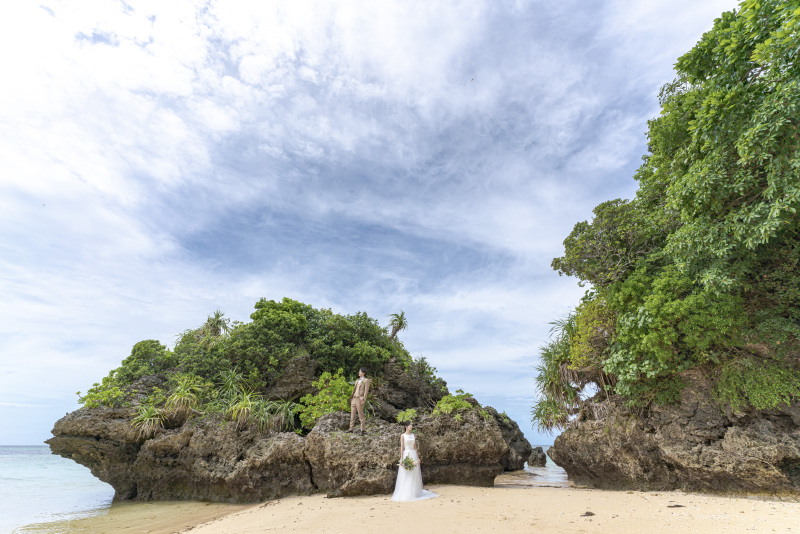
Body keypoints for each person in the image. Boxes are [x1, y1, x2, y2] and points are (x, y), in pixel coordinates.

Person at [391, 421, 437, 502]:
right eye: (410, 425)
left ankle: (414, 492)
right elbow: (402, 448)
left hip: (413, 454)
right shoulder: (403, 435)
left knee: (414, 473)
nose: (411, 426)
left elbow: (415, 447)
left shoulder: (412, 435)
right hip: (407, 454)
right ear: (406, 426)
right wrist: (401, 459)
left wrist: (418, 458)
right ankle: (407, 492)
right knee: (407, 473)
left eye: (411, 425)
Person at [347, 367, 370, 435]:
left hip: (360, 399)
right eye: (359, 371)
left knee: (360, 414)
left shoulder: (366, 380)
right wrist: (351, 398)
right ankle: (351, 429)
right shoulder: (357, 380)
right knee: (352, 414)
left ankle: (363, 430)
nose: (359, 373)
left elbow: (366, 391)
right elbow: (355, 389)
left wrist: (364, 400)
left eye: (360, 371)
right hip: (354, 398)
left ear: (363, 373)